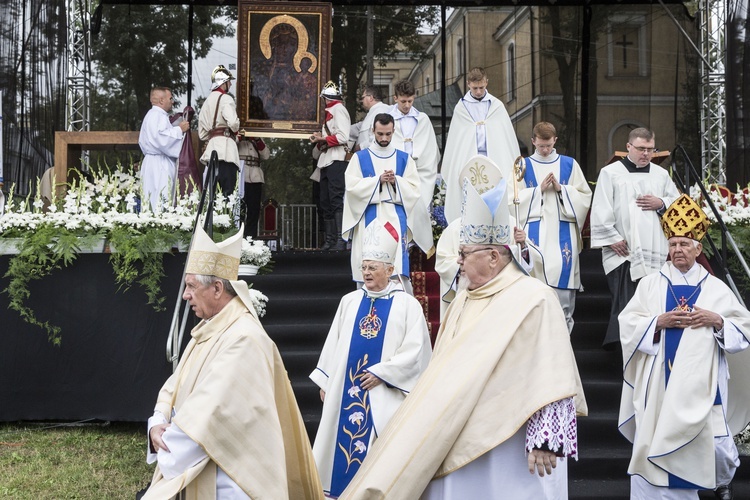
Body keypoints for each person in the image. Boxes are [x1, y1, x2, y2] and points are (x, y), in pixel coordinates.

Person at [340, 175, 587, 500]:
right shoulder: (463, 300)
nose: (457, 261)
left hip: (513, 439)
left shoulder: (535, 298)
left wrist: (546, 437)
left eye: (464, 253)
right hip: (455, 430)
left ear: (494, 257)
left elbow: (554, 365)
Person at [142, 224, 322, 499]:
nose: (185, 295)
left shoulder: (244, 338)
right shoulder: (209, 327)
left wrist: (167, 443)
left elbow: (211, 412)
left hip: (232, 479)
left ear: (216, 288)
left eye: (191, 286)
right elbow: (174, 384)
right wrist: (157, 421)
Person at [618, 194, 750, 500]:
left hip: (703, 387)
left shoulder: (716, 289)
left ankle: (719, 483)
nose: (678, 250)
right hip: (659, 387)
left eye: (685, 244)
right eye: (674, 244)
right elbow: (628, 324)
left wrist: (717, 320)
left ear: (698, 248)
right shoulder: (651, 284)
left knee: (719, 448)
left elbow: (743, 330)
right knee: (653, 442)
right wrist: (658, 322)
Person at [310, 219, 432, 499]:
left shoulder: (407, 305)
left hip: (383, 395)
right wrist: (326, 380)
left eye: (372, 268)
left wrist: (383, 372)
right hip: (345, 392)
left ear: (390, 270)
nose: (366, 272)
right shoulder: (349, 301)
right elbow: (334, 343)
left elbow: (416, 352)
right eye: (363, 267)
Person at [590, 127, 680, 347]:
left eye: (650, 149)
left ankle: (652, 342)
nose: (646, 154)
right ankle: (621, 345)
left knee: (652, 301)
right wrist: (612, 238)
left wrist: (662, 203)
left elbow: (677, 204)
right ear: (628, 147)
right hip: (624, 250)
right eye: (641, 149)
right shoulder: (610, 173)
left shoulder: (660, 175)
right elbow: (601, 207)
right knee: (626, 302)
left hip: (654, 248)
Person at [434, 155, 533, 320]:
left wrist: (522, 245)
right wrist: (469, 265)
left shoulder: (511, 224)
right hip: (468, 296)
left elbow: (528, 264)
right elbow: (443, 262)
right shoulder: (454, 228)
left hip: (504, 297)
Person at [342, 113, 434, 287]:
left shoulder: (404, 158)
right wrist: (378, 181)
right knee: (368, 263)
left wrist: (396, 181)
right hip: (368, 215)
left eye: (388, 134)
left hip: (395, 216)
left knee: (396, 265)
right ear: (373, 131)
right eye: (380, 134)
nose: (384, 138)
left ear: (393, 131)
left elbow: (414, 189)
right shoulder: (360, 158)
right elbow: (352, 188)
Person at [517, 121, 592, 333]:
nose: (545, 150)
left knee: (562, 297)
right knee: (533, 294)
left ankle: (563, 343)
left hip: (563, 236)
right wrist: (538, 190)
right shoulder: (523, 165)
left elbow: (585, 196)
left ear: (555, 141)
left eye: (549, 145)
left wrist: (561, 189)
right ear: (533, 141)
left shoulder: (569, 165)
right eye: (541, 145)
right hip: (534, 233)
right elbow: (512, 201)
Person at [442, 66, 520, 222]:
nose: (478, 92)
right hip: (469, 162)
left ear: (487, 83)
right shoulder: (461, 108)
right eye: (475, 88)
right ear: (468, 84)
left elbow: (504, 136)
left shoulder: (496, 106)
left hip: (495, 160)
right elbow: (458, 140)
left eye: (482, 87)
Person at [310, 81, 351, 251]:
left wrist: (322, 139)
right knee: (325, 201)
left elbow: (343, 137)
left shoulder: (338, 109)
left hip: (337, 158)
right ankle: (330, 239)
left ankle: (340, 239)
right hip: (327, 159)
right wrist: (320, 141)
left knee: (336, 199)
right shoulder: (330, 112)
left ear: (326, 99)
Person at [388, 80, 440, 208]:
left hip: (419, 171)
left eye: (410, 101)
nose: (407, 105)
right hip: (395, 171)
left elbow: (431, 149)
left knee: (418, 209)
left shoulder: (422, 119)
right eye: (403, 101)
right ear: (395, 98)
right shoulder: (387, 118)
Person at [138, 86, 190, 212]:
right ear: (161, 100)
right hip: (159, 164)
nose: (172, 101)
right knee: (161, 197)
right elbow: (161, 138)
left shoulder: (153, 115)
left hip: (153, 162)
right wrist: (179, 130)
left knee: (152, 198)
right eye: (170, 98)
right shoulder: (157, 116)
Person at [198, 65, 241, 198]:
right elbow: (233, 123)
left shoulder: (206, 103)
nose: (231, 84)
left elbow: (202, 134)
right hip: (226, 152)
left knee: (214, 198)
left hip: (211, 151)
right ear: (223, 82)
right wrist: (235, 131)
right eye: (229, 81)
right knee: (228, 197)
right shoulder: (226, 99)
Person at [238, 136, 270, 238]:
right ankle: (238, 237)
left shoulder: (257, 139)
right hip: (240, 175)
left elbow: (266, 155)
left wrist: (257, 139)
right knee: (239, 210)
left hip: (255, 176)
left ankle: (250, 238)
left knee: (254, 210)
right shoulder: (237, 138)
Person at [355, 85, 390, 151]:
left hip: (375, 155)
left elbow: (381, 134)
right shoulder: (374, 111)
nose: (361, 101)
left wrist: (361, 146)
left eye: (363, 98)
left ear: (371, 98)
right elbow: (357, 127)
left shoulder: (381, 110)